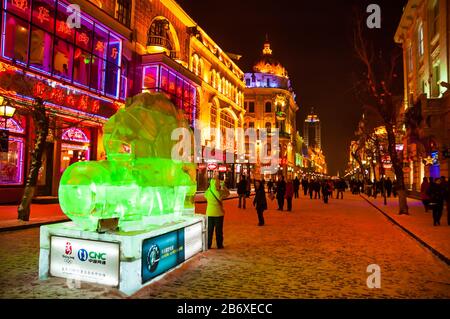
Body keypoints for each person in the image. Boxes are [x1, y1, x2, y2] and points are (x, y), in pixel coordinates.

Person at [205, 175, 230, 248]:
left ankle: (208, 244)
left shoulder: (208, 192)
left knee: (209, 230)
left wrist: (209, 188)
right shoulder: (220, 192)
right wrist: (224, 186)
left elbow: (204, 195)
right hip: (219, 213)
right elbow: (228, 193)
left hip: (209, 213)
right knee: (219, 231)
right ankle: (219, 244)